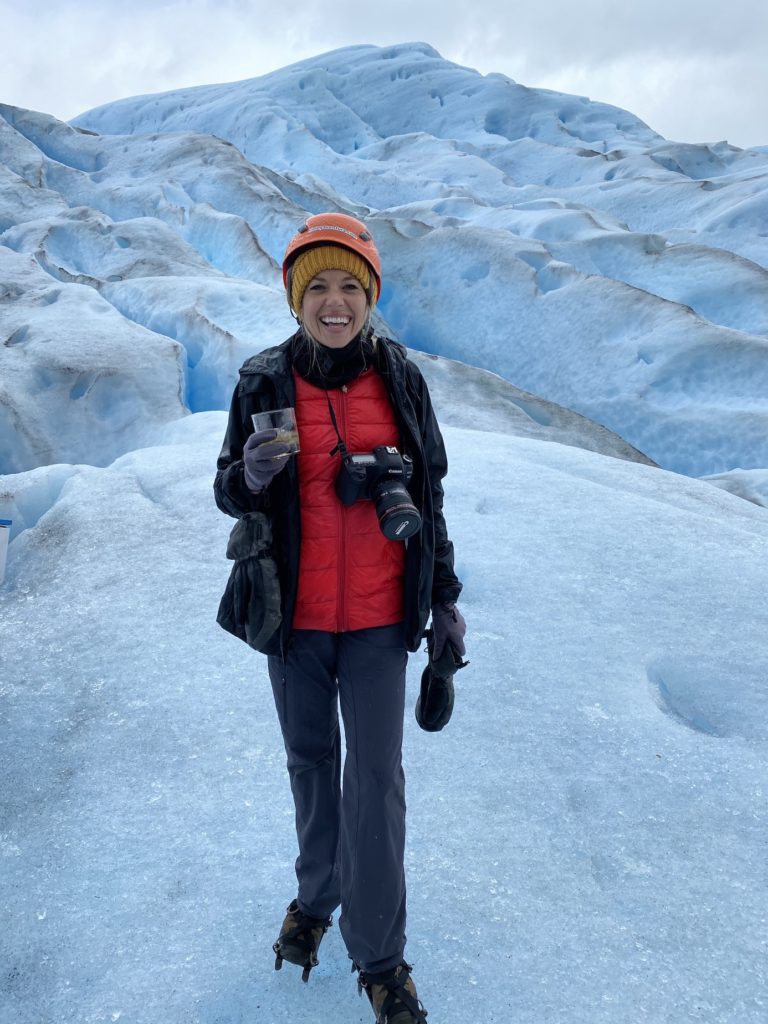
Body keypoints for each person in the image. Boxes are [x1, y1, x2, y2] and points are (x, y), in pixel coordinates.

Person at [214, 212, 465, 1024]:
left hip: (379, 622)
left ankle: (382, 958)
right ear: (294, 296)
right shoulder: (261, 380)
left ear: (370, 296)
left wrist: (447, 602)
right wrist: (249, 475)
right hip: (292, 620)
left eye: (348, 286)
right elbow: (226, 487)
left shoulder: (401, 380)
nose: (333, 301)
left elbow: (430, 497)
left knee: (377, 784)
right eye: (316, 285)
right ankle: (316, 898)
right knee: (310, 764)